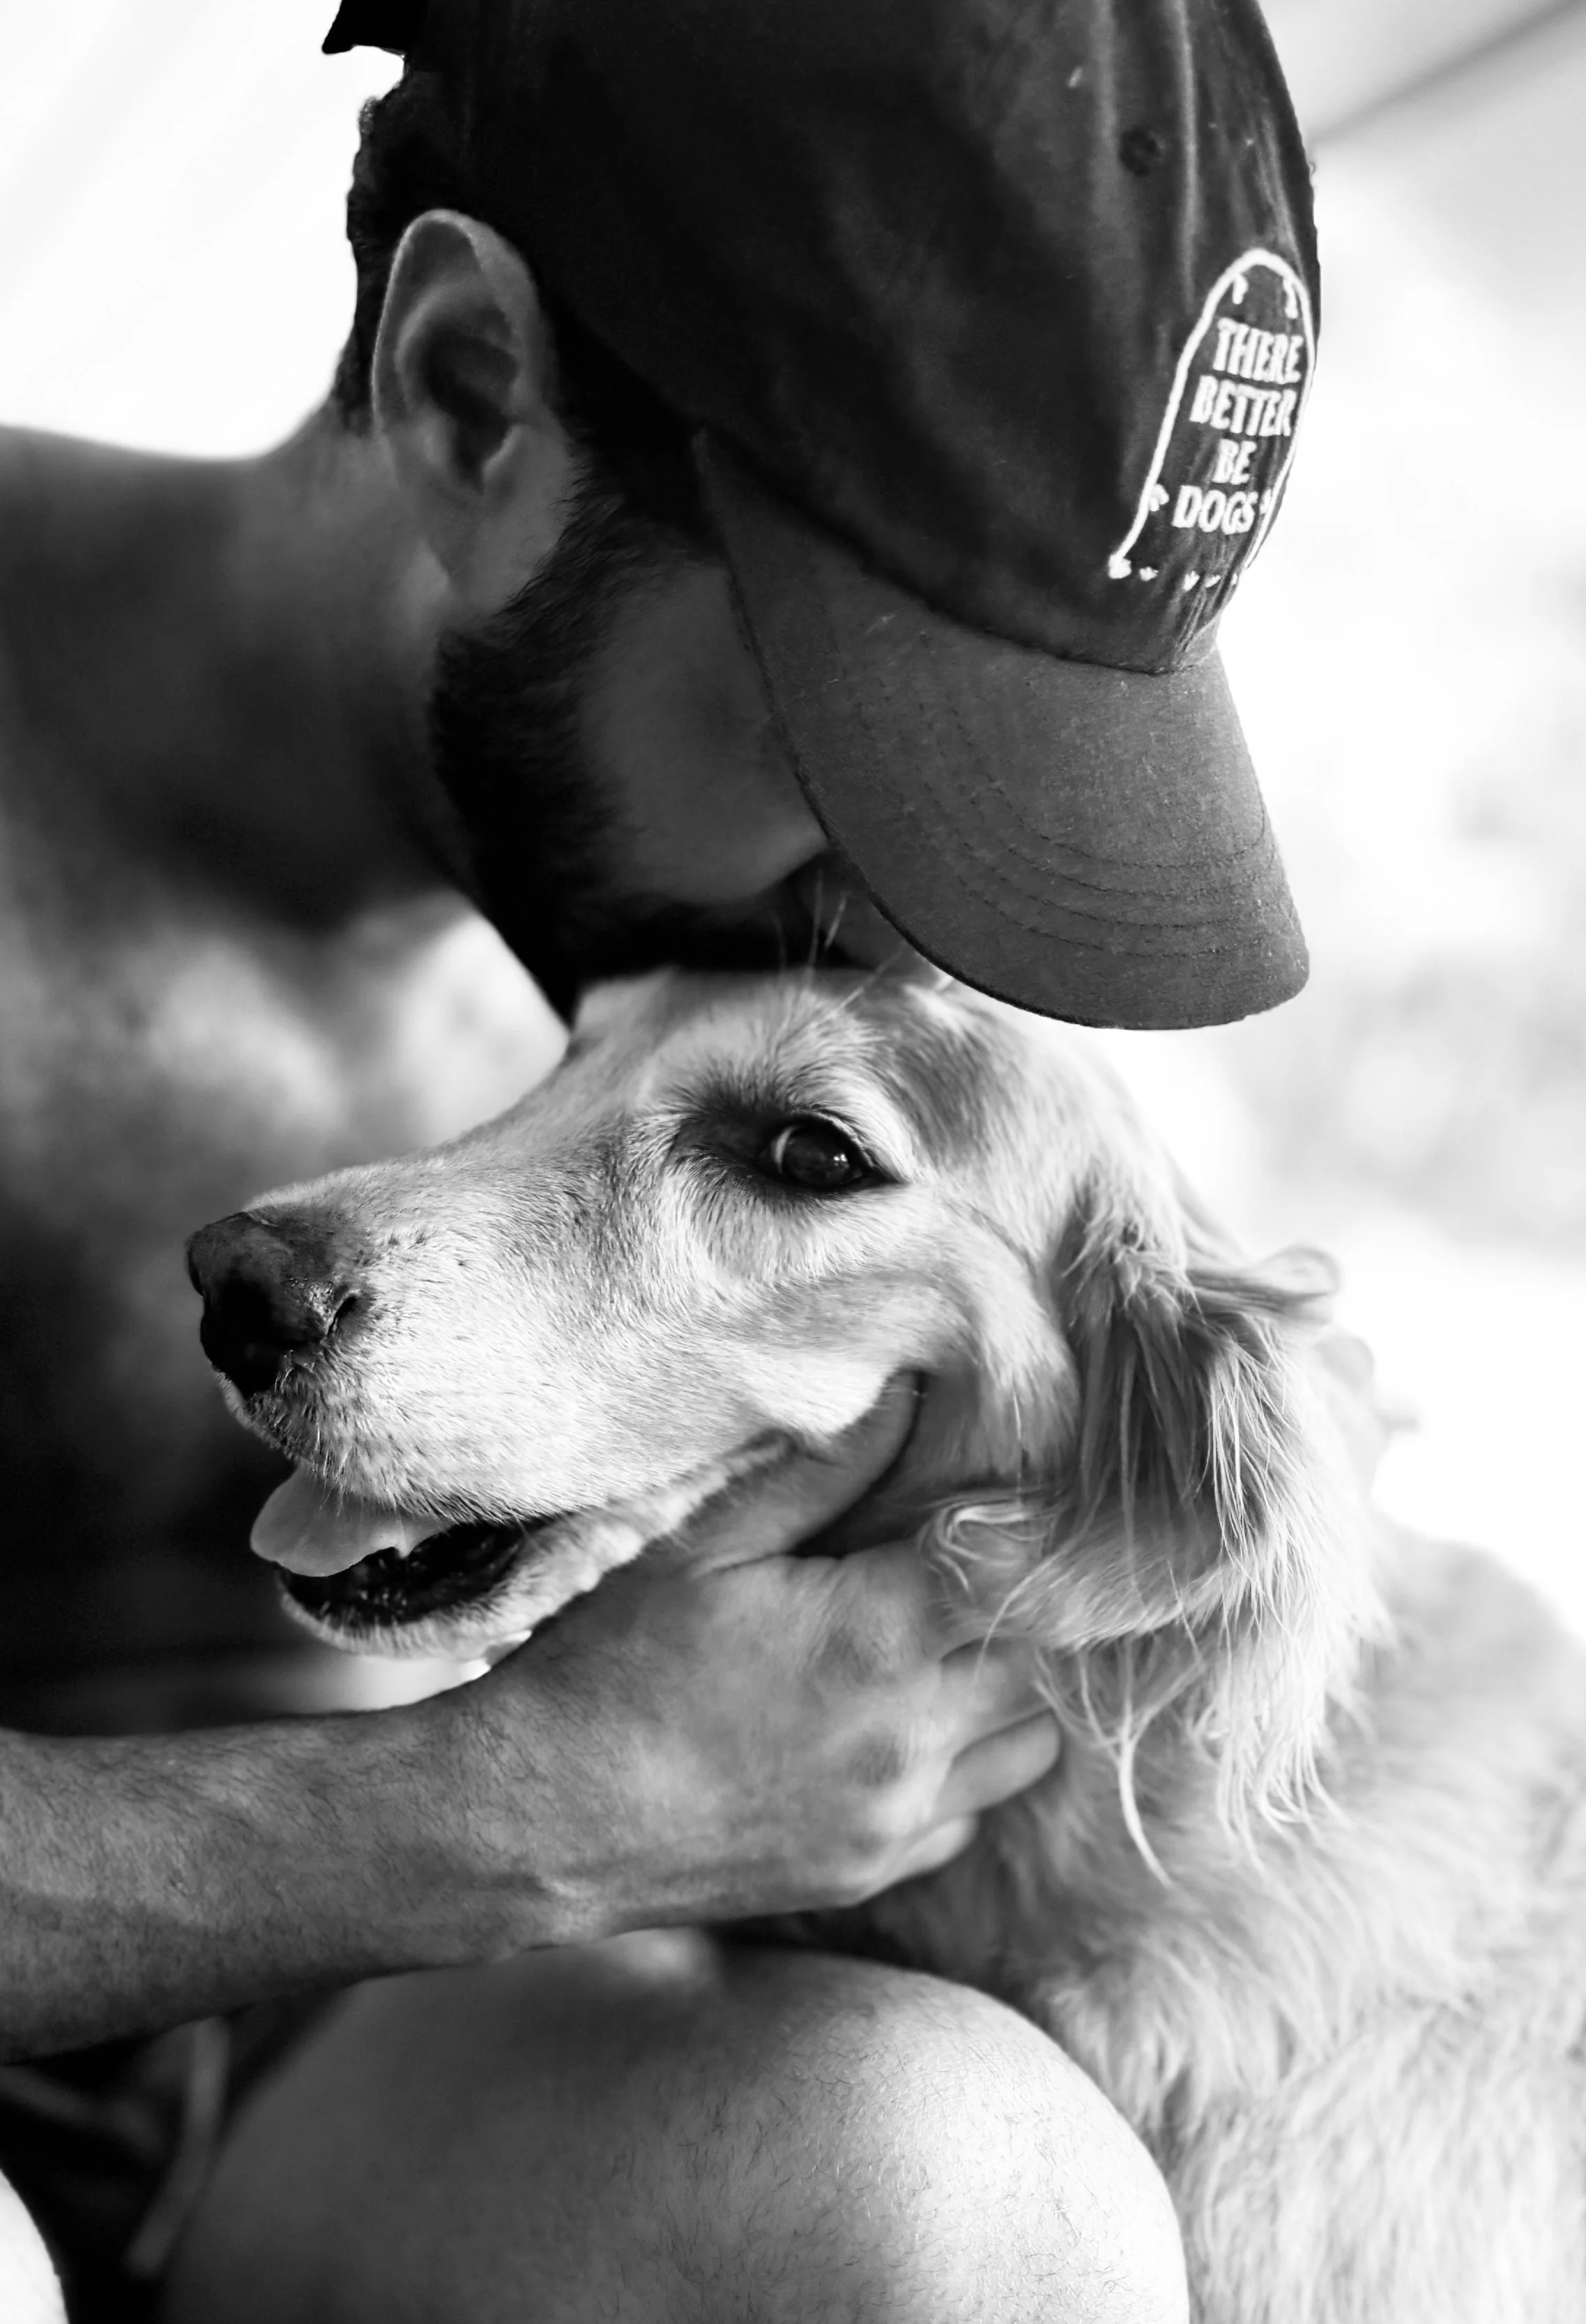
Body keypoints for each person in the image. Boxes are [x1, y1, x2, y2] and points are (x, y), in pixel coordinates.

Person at [0, 0, 1320, 2315]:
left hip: (325, 2060)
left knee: (979, 2197)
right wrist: (498, 1815)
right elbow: (494, 1814)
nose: (912, 924)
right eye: (859, 736)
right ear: (471, 396)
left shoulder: (673, 966)